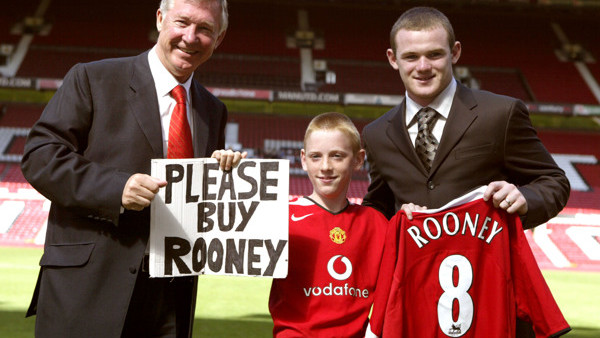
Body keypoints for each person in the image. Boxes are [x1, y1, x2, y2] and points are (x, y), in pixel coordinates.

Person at [20, 0, 241, 336]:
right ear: (160, 19)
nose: (190, 37)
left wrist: (221, 178)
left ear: (220, 37)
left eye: (205, 29)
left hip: (171, 296)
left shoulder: (213, 110)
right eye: (182, 22)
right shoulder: (93, 78)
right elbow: (40, 155)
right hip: (89, 289)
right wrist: (116, 188)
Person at [361, 6, 570, 337]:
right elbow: (378, 208)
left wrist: (524, 197)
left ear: (455, 52)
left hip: (492, 304)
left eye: (434, 54)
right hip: (418, 310)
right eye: (411, 56)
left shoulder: (499, 114)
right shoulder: (376, 134)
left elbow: (555, 182)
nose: (423, 66)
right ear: (392, 58)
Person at [268, 112, 389, 337]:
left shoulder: (376, 224)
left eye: (337, 156)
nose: (325, 166)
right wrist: (225, 171)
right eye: (315, 156)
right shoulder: (281, 216)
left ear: (358, 159)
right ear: (303, 159)